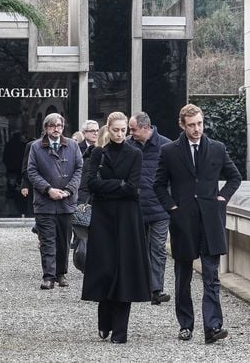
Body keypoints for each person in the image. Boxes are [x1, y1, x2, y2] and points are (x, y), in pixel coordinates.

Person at [154, 104, 241, 344]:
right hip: (183, 222)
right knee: (183, 277)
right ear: (182, 125)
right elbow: (158, 185)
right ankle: (185, 324)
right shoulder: (169, 151)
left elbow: (235, 177)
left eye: (200, 124)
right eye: (191, 125)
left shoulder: (217, 148)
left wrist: (221, 199)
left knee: (211, 276)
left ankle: (213, 326)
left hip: (211, 221)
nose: (197, 129)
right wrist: (172, 208)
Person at [81, 112, 150, 344]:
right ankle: (104, 321)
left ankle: (121, 330)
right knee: (105, 268)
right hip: (103, 218)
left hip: (128, 218)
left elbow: (133, 188)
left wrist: (108, 186)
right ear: (108, 129)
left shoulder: (135, 153)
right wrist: (118, 185)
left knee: (125, 271)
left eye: (123, 130)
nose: (120, 134)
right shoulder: (99, 152)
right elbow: (91, 184)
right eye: (116, 130)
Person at [27, 113, 83, 289]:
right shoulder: (36, 147)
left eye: (59, 125)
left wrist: (68, 191)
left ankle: (61, 274)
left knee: (64, 241)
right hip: (45, 203)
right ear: (46, 128)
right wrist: (48, 190)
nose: (56, 129)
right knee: (47, 241)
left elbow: (79, 169)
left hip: (66, 202)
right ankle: (48, 276)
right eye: (52, 126)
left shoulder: (73, 146)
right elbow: (32, 172)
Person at [127, 111, 172, 305]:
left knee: (158, 249)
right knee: (140, 249)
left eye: (133, 129)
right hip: (136, 207)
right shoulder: (129, 146)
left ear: (146, 128)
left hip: (160, 209)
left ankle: (156, 289)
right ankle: (142, 286)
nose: (130, 133)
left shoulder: (166, 146)